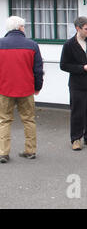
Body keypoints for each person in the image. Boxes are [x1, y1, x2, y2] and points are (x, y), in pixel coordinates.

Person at [0, 16, 43, 163]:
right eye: (24, 26)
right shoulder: (32, 45)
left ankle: (3, 152)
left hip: (4, 89)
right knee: (29, 120)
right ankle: (30, 150)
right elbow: (38, 69)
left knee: (4, 121)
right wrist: (38, 87)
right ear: (20, 28)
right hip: (26, 89)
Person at [60, 17, 87, 151]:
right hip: (77, 84)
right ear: (78, 28)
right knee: (77, 112)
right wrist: (82, 68)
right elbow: (64, 65)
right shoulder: (69, 45)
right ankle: (76, 139)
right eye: (86, 28)